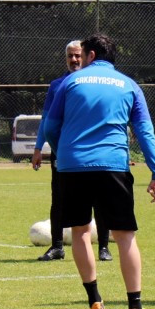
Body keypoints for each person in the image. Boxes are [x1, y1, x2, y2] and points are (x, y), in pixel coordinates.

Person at [42, 33, 155, 309]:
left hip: (72, 167)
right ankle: (135, 307)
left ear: (92, 56)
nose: (79, 60)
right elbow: (145, 132)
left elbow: (50, 127)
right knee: (125, 236)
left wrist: (64, 153)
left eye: (82, 55)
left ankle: (94, 300)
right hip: (113, 166)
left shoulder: (70, 82)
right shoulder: (129, 85)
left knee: (81, 232)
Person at [33, 42, 113, 263]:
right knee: (58, 199)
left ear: (87, 57)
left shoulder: (98, 83)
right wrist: (39, 147)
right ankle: (57, 246)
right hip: (63, 152)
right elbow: (47, 119)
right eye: (70, 56)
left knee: (99, 200)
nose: (74, 60)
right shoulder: (57, 85)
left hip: (94, 152)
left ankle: (104, 247)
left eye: (78, 55)